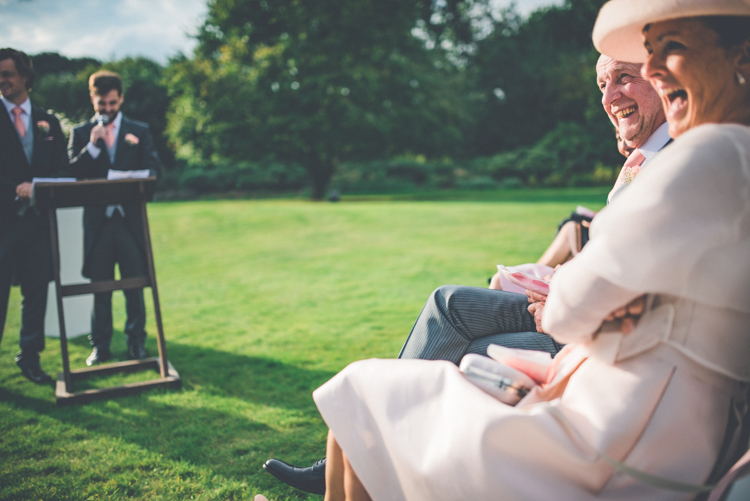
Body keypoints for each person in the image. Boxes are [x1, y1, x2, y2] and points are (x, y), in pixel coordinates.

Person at [278, 1, 750, 499]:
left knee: (363, 393)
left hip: (608, 440)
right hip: (673, 441)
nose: (652, 71)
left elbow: (569, 311)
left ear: (742, 56)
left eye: (669, 49)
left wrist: (595, 299)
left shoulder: (707, 155)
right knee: (381, 399)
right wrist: (616, 300)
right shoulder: (732, 156)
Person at [68, 70, 161, 366]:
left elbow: (154, 169)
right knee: (100, 288)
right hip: (98, 225)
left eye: (111, 103)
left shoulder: (139, 130)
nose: (106, 109)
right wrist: (93, 146)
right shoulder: (82, 133)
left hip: (130, 222)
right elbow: (70, 174)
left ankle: (136, 343)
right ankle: (100, 346)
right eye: (101, 104)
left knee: (134, 286)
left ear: (120, 98)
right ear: (92, 100)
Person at [0, 48, 68, 384]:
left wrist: (39, 186)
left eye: (7, 74)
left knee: (36, 292)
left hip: (39, 223)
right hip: (3, 223)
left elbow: (61, 169)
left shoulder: (48, 121)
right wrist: (16, 188)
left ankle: (29, 358)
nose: (1, 81)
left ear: (25, 77)